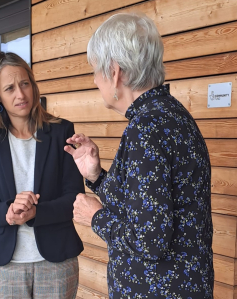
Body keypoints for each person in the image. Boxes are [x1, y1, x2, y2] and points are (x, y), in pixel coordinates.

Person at [64, 13, 214, 298]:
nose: (95, 80)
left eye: (96, 70)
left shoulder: (145, 130)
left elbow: (150, 241)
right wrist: (96, 176)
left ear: (115, 71)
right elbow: (147, 211)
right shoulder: (175, 115)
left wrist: (95, 216)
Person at [0, 51, 84, 299]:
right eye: (10, 88)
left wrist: (38, 212)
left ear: (33, 86)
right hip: (6, 264)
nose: (20, 94)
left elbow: (74, 197)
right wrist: (8, 212)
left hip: (56, 262)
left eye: (24, 84)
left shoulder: (60, 131)